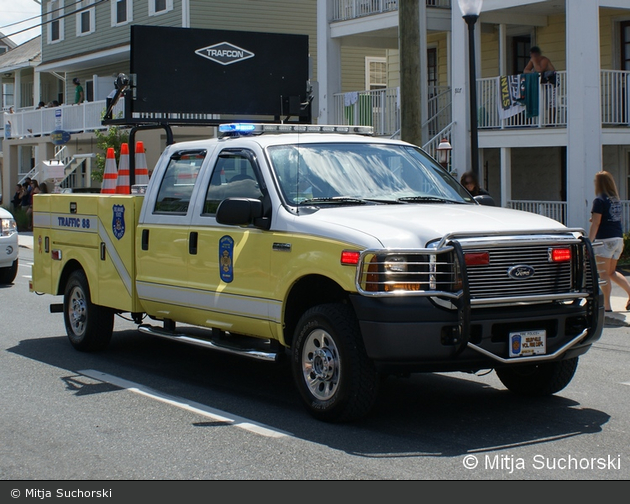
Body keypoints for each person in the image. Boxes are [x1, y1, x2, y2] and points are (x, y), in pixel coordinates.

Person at [588, 171, 630, 312]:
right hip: (617, 238)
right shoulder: (615, 200)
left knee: (604, 274)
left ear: (599, 184)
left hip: (604, 241)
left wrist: (589, 241)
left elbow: (596, 223)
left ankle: (606, 306)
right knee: (612, 272)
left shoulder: (599, 200)